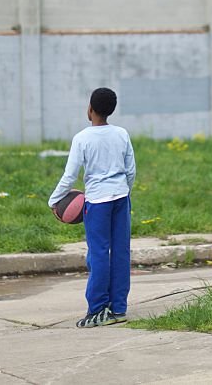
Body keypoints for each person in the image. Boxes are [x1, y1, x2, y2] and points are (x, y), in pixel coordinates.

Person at [48, 87, 136, 327]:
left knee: (98, 253)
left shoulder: (82, 138)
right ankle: (118, 309)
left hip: (97, 203)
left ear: (90, 109)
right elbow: (131, 171)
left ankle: (97, 310)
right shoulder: (121, 134)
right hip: (121, 198)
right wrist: (123, 190)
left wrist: (53, 200)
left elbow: (70, 176)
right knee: (120, 252)